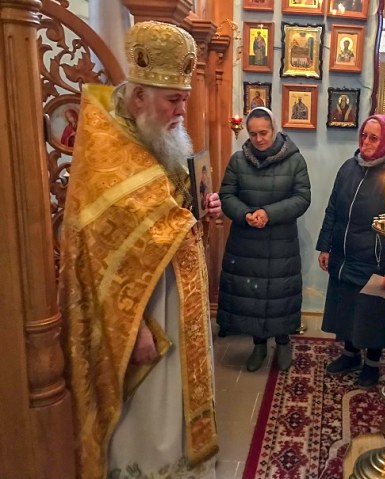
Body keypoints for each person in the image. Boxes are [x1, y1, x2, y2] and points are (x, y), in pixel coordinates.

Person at [59, 21, 221, 479]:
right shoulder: (109, 153)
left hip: (176, 301)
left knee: (176, 404)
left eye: (183, 99)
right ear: (138, 98)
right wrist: (133, 330)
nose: (182, 110)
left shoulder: (153, 137)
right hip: (143, 315)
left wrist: (202, 209)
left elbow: (170, 215)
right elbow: (98, 259)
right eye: (173, 100)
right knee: (149, 414)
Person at [316, 114, 385, 388]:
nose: (366, 142)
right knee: (346, 307)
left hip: (377, 259)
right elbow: (333, 209)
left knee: (373, 314)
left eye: (374, 138)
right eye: (363, 135)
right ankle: (350, 355)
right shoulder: (349, 167)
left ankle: (371, 364)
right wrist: (325, 246)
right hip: (344, 253)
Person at [217, 107, 311, 372]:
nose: (259, 139)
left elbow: (302, 198)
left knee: (280, 294)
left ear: (275, 130)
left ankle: (283, 343)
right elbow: (226, 195)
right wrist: (245, 214)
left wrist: (268, 213)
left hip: (280, 242)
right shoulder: (238, 161)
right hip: (246, 242)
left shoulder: (295, 160)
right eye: (253, 134)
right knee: (252, 296)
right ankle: (258, 346)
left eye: (264, 133)